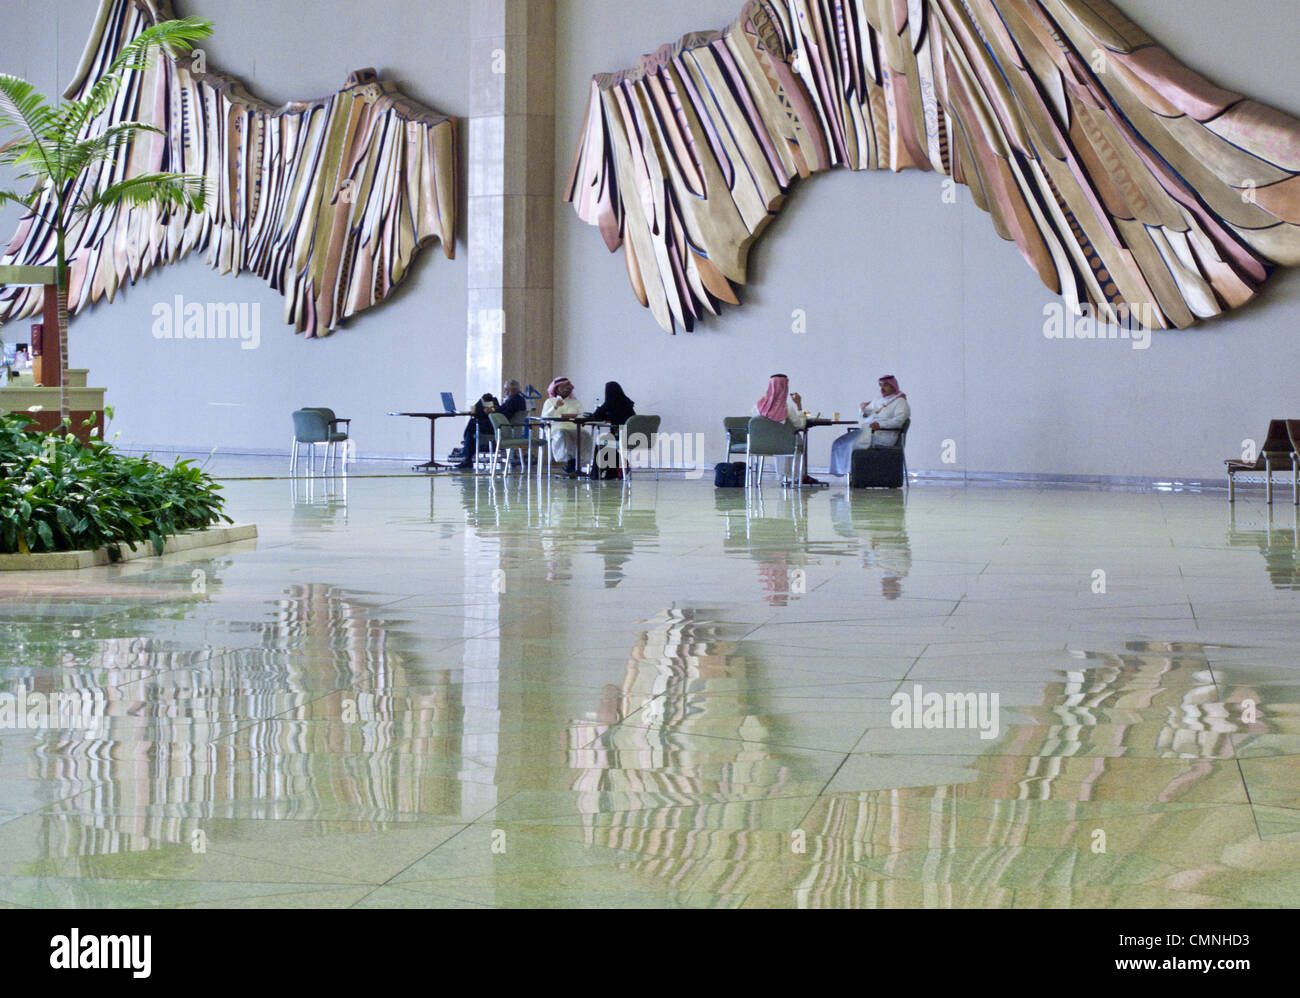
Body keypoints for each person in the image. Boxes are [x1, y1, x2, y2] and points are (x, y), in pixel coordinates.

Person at [829, 375, 910, 477]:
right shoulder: (878, 399)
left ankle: (853, 474)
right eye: (881, 385)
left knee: (852, 444)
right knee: (840, 442)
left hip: (884, 435)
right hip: (868, 432)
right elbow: (867, 413)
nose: (882, 388)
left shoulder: (900, 402)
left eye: (886, 385)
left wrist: (880, 425)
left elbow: (899, 421)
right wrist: (863, 411)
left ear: (893, 387)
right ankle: (840, 471)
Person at [751, 374, 821, 487]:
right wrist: (799, 405)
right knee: (795, 439)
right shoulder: (787, 408)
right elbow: (801, 425)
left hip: (763, 444)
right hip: (786, 444)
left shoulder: (757, 408)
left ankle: (783, 475)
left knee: (780, 439)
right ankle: (799, 475)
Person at [541, 376, 588, 476]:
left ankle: (578, 463)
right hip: (556, 428)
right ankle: (569, 461)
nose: (567, 389)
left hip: (574, 427)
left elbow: (583, 415)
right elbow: (544, 417)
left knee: (585, 434)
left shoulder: (575, 402)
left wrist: (574, 416)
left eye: (568, 388)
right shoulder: (550, 401)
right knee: (563, 433)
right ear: (557, 389)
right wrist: (555, 407)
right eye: (564, 387)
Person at [589, 381, 635, 479]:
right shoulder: (628, 404)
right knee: (609, 440)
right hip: (633, 439)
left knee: (602, 442)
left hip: (620, 438)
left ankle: (596, 474)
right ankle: (612, 471)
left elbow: (596, 416)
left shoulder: (609, 404)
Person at [452, 393, 500, 470]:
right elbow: (475, 409)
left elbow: (490, 411)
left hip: (491, 428)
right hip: (486, 426)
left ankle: (466, 454)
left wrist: (491, 409)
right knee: (471, 429)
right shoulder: (484, 403)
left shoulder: (495, 404)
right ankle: (466, 453)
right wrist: (481, 401)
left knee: (471, 428)